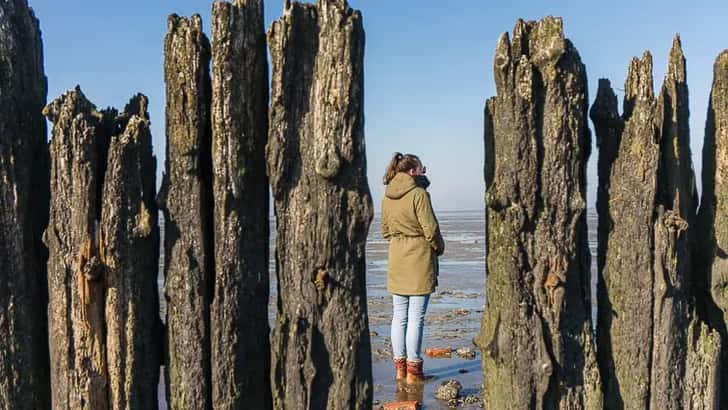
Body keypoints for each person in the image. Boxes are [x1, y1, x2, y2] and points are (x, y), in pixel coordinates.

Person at [381, 152, 445, 384]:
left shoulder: (387, 196)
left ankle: (400, 370)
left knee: (399, 316)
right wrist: (439, 247)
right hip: (418, 256)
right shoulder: (419, 194)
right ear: (412, 172)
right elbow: (430, 228)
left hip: (397, 255)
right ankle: (414, 372)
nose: (424, 172)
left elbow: (385, 231)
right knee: (416, 318)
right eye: (421, 169)